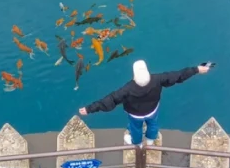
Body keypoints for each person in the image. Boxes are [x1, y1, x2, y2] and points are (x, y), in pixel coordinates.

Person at [80, 59, 213, 147]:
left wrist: (89, 109)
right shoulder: (158, 79)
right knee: (153, 124)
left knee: (135, 128)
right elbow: (178, 75)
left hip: (135, 114)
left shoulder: (127, 89)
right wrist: (196, 69)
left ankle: (137, 143)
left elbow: (109, 100)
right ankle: (150, 140)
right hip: (152, 110)